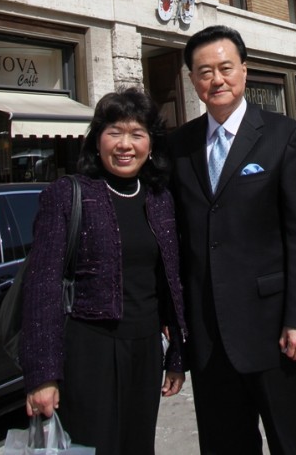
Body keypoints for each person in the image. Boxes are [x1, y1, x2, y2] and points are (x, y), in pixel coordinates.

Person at [169, 25, 296, 455]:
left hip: (274, 330)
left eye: (225, 68)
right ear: (193, 80)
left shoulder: (283, 135)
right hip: (209, 333)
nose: (216, 80)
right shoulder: (179, 145)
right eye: (204, 72)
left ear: (244, 71)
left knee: (288, 442)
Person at [20, 87, 187, 455]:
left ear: (151, 145)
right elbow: (42, 287)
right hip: (88, 349)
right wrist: (43, 376)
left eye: (137, 134)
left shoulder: (160, 199)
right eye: (114, 132)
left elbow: (169, 282)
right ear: (97, 141)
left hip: (145, 348)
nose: (125, 144)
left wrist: (176, 355)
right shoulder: (68, 194)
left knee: (138, 446)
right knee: (94, 447)